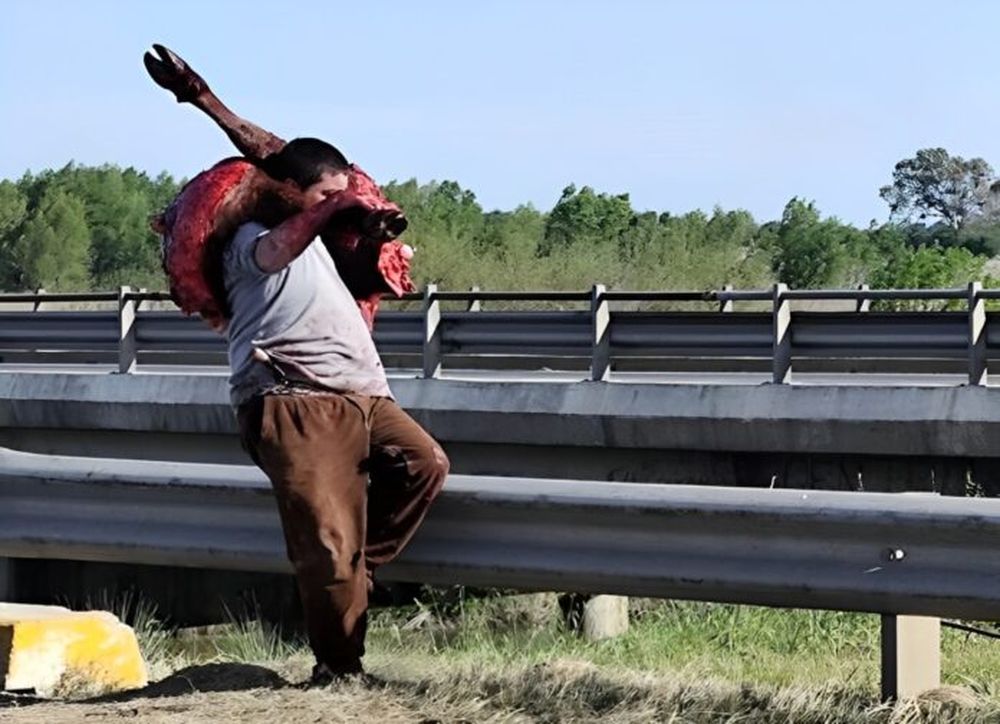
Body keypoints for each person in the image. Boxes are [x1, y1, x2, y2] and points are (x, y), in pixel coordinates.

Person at [227, 136, 449, 683]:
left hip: (366, 397)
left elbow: (273, 147)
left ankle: (360, 569)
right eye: (325, 194)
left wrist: (204, 98)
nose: (338, 202)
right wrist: (337, 206)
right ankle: (339, 670)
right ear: (291, 193)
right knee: (328, 547)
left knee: (426, 464)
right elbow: (276, 250)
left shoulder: (323, 245)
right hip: (295, 400)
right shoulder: (249, 239)